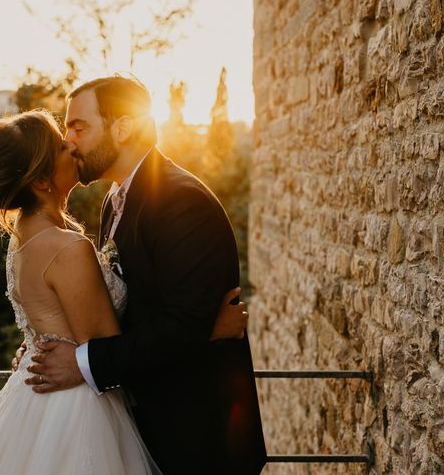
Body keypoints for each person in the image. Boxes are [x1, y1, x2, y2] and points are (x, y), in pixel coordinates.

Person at [0, 109, 248, 474]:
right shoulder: (67, 247)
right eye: (59, 145)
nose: (71, 145)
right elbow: (107, 345)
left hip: (39, 400)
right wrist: (207, 329)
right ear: (40, 180)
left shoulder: (23, 238)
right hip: (81, 410)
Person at [23, 76, 267, 474]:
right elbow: (132, 306)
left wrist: (82, 363)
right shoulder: (114, 200)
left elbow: (181, 323)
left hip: (194, 435)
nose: (68, 141)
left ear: (122, 127)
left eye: (78, 126)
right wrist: (48, 340)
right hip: (145, 424)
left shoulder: (180, 200)